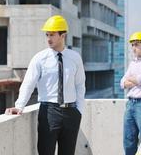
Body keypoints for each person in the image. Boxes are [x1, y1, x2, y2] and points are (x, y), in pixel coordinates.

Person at [5, 15, 86, 155]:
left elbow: (80, 85)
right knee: (45, 152)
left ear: (62, 35)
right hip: (49, 112)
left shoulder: (75, 58)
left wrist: (79, 111)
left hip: (71, 112)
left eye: (52, 35)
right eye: (47, 34)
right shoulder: (40, 58)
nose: (49, 38)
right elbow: (28, 83)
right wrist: (19, 106)